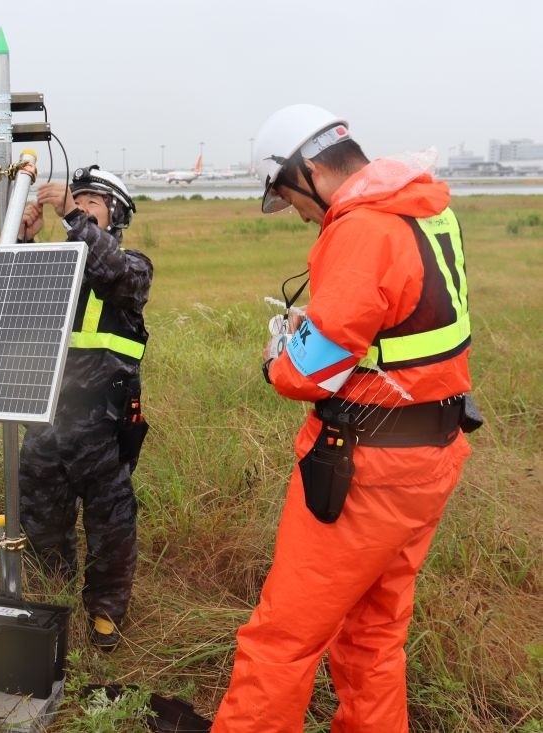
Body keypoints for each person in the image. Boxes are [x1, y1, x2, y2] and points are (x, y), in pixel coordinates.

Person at [212, 104, 478, 731]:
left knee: (282, 639)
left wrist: (282, 355)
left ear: (307, 171)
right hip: (432, 457)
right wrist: (327, 331)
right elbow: (401, 324)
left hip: (365, 472)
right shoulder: (425, 209)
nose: (299, 214)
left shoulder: (361, 230)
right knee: (373, 635)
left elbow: (306, 377)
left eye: (289, 197)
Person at [16, 165, 153, 651]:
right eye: (80, 199)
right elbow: (12, 295)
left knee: (110, 527)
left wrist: (71, 213)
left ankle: (105, 612)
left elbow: (110, 270)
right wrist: (25, 239)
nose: (81, 204)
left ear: (115, 215)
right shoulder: (55, 265)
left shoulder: (133, 266)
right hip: (46, 422)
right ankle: (51, 604)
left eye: (93, 201)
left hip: (103, 427)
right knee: (41, 522)